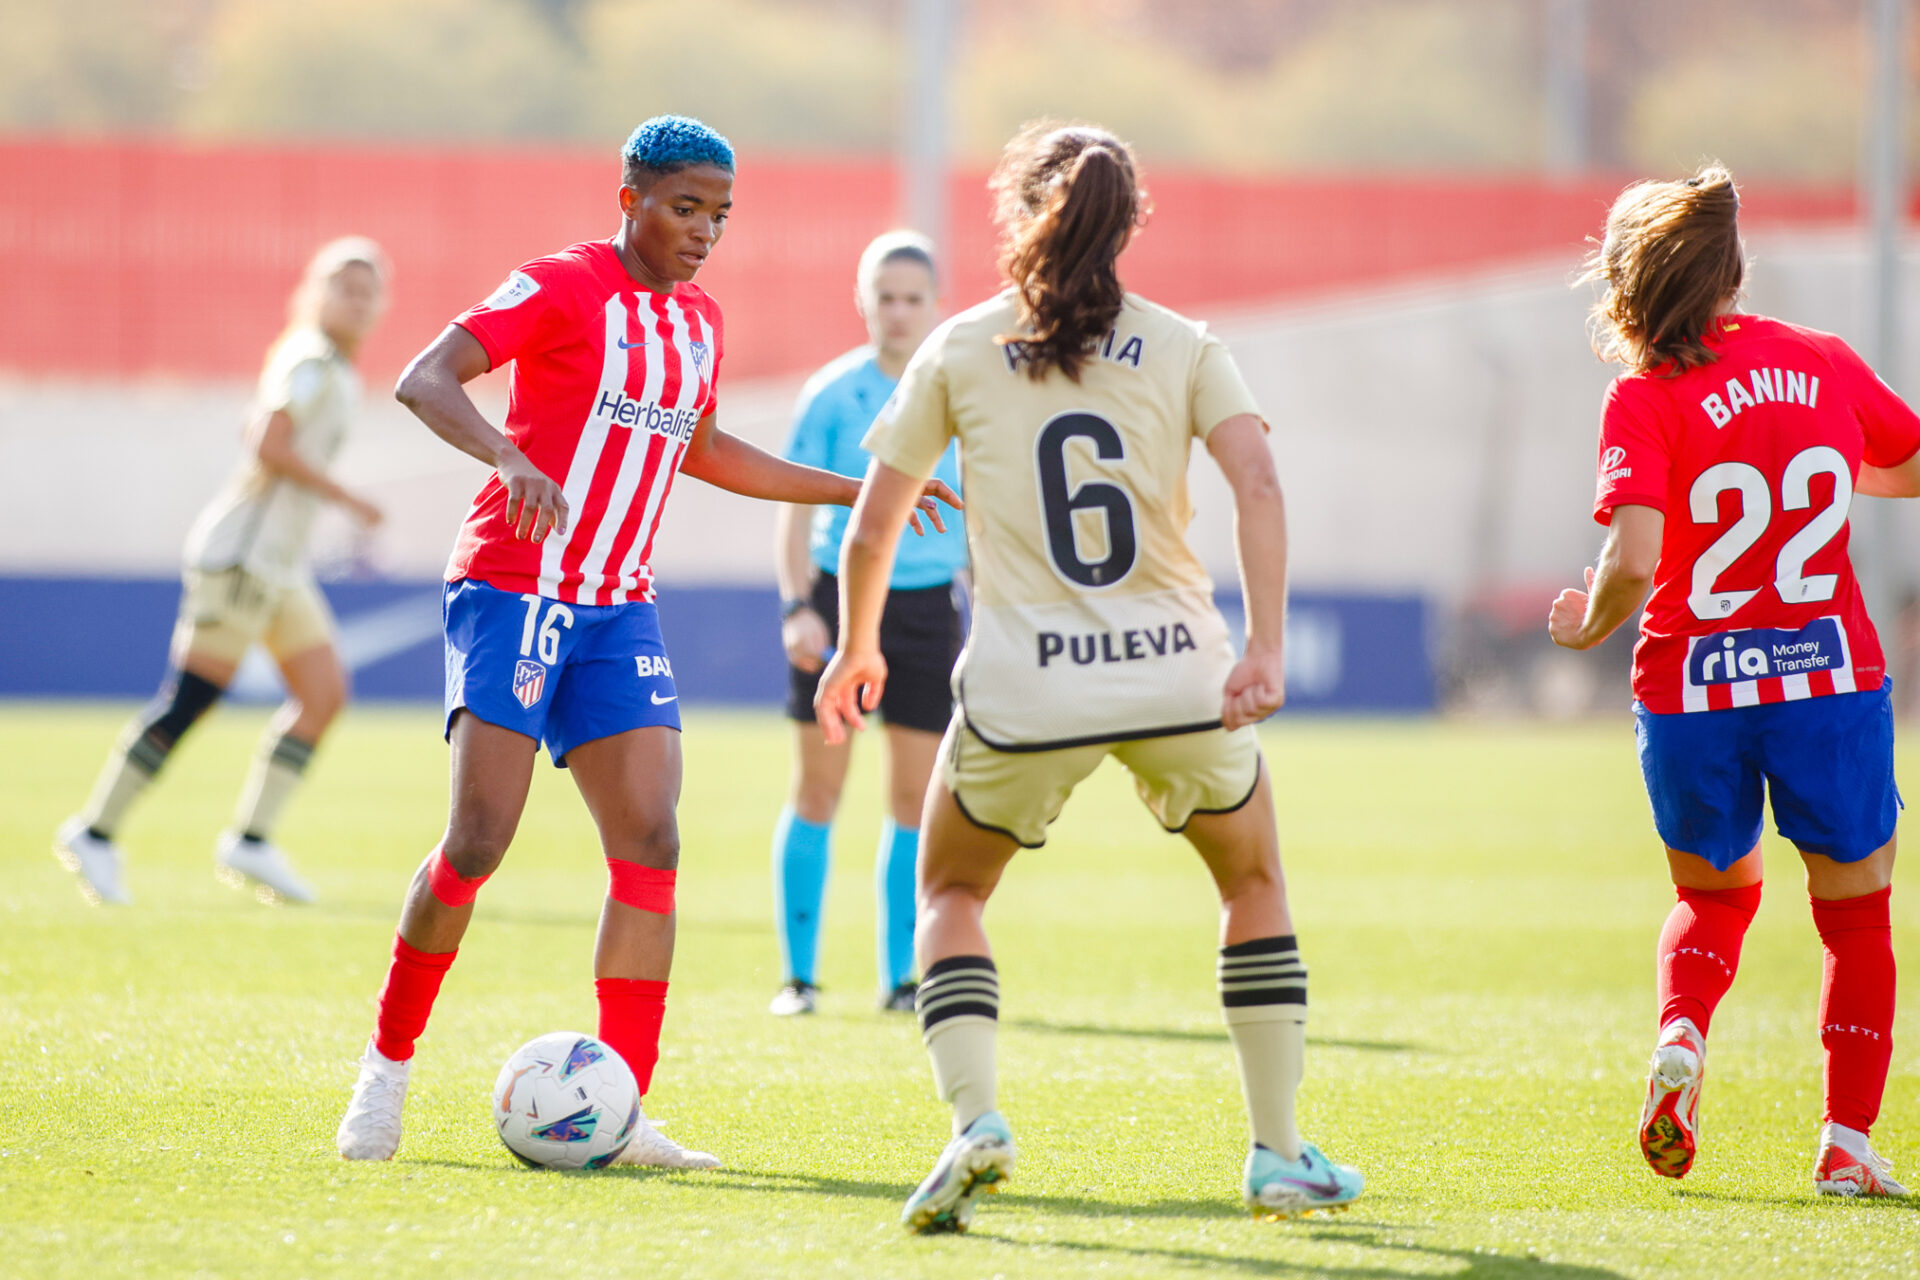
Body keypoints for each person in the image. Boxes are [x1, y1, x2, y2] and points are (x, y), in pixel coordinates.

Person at [332, 116, 957, 1168]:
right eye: (684, 207)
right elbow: (426, 377)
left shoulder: (699, 320)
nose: (704, 229)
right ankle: (384, 1071)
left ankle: (618, 1115)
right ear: (629, 199)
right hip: (513, 585)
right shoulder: (563, 285)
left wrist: (863, 488)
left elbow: (703, 446)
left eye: (719, 213)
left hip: (619, 605)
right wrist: (507, 459)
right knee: (479, 838)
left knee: (653, 842)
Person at [815, 121, 1364, 1232]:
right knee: (1250, 882)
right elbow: (1258, 480)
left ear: (1019, 213)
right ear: (1131, 225)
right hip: (1178, 674)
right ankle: (1278, 1152)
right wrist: (1263, 644)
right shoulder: (1185, 343)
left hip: (1027, 681)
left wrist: (855, 643)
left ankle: (975, 1122)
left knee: (952, 893)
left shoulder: (961, 344)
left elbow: (875, 526)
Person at [1549, 165, 1916, 1198]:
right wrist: (1838, 458)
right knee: (1855, 912)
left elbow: (1630, 561)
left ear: (1627, 288)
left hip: (1691, 691)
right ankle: (1847, 1142)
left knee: (1712, 897)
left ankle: (1681, 1032)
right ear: (1734, 270)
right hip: (1827, 681)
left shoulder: (1643, 396)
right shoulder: (1822, 362)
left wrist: (1585, 628)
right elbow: (1912, 457)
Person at [54, 238, 391, 907]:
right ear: (316, 294)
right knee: (192, 700)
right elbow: (266, 439)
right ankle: (95, 831)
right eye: (344, 287)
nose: (356, 300)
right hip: (241, 558)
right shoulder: (309, 359)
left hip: (278, 567)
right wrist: (347, 498)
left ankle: (252, 841)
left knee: (323, 693)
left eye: (367, 290)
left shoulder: (335, 369)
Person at [770, 230, 967, 1017]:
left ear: (934, 305)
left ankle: (902, 980)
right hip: (835, 599)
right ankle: (799, 979)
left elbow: (982, 514)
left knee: (914, 799)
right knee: (818, 790)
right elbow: (791, 515)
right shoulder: (830, 394)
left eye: (912, 297)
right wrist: (795, 608)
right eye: (884, 296)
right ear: (863, 301)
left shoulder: (958, 396)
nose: (897, 311)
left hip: (926, 610)